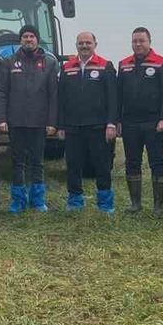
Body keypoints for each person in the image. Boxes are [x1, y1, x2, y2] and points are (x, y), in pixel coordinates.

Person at [0, 24, 58, 213]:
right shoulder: (9, 62)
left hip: (39, 122)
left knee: (37, 162)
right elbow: (1, 92)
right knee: (18, 162)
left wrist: (52, 122)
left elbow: (53, 95)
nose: (28, 39)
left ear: (37, 40)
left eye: (32, 36)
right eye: (25, 37)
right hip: (16, 121)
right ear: (20, 40)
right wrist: (2, 118)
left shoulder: (49, 63)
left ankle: (37, 200)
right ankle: (18, 201)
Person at [57, 31, 118, 212]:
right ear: (76, 45)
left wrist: (111, 123)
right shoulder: (67, 67)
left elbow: (113, 98)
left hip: (98, 126)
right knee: (73, 165)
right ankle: (75, 201)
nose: (84, 46)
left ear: (95, 45)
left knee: (102, 164)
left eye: (88, 43)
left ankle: (105, 203)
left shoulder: (105, 66)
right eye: (81, 43)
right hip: (73, 126)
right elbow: (61, 99)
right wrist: (61, 125)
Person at [116, 27, 163, 212]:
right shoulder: (123, 64)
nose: (138, 44)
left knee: (157, 162)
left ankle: (158, 205)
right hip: (130, 122)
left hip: (154, 122)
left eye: (142, 41)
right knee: (132, 162)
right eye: (135, 41)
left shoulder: (162, 63)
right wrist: (118, 120)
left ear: (149, 42)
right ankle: (135, 203)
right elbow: (118, 95)